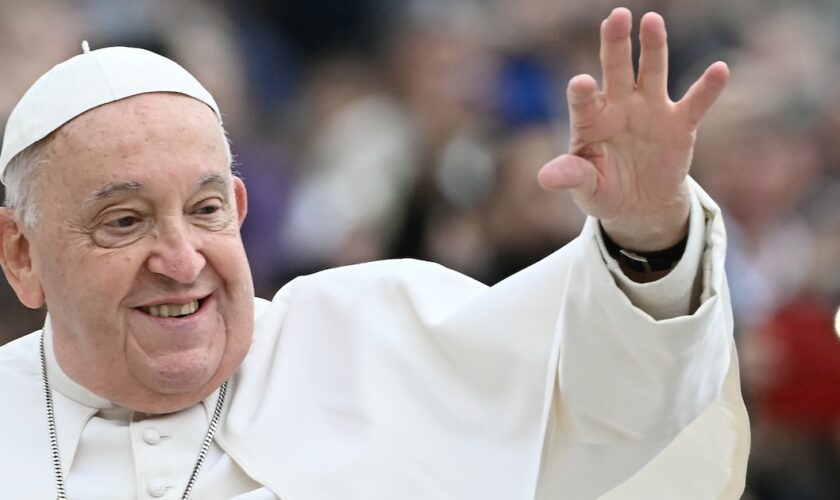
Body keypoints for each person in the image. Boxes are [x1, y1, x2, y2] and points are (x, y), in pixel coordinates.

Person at [0, 8, 748, 500]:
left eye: (205, 211)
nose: (181, 258)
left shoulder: (378, 331)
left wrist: (649, 233)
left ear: (241, 212)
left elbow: (615, 406)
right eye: (124, 221)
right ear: (22, 255)